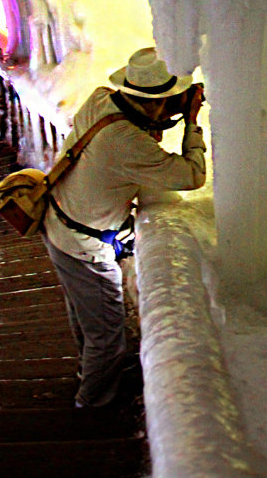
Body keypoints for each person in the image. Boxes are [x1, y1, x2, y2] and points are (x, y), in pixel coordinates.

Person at [44, 47, 206, 407]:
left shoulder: (102, 99)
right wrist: (191, 121)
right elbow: (192, 175)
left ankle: (93, 373)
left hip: (59, 221)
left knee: (85, 316)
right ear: (159, 102)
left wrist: (167, 113)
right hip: (82, 243)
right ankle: (94, 403)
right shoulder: (127, 143)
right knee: (105, 330)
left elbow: (136, 141)